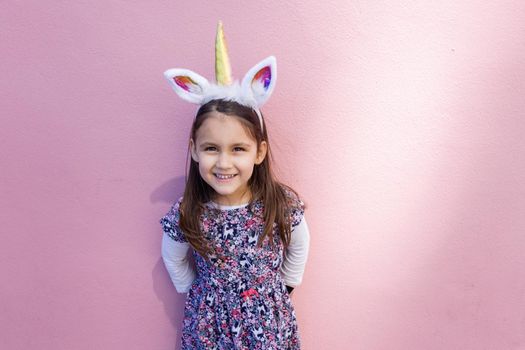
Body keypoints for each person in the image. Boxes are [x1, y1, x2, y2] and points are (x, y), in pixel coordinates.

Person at [160, 21, 310, 349]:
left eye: (238, 149)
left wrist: (284, 286)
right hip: (207, 326)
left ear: (259, 152)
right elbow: (173, 257)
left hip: (268, 325)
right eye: (212, 148)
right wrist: (198, 293)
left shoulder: (279, 204)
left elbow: (299, 244)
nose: (224, 163)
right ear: (194, 150)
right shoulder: (188, 210)